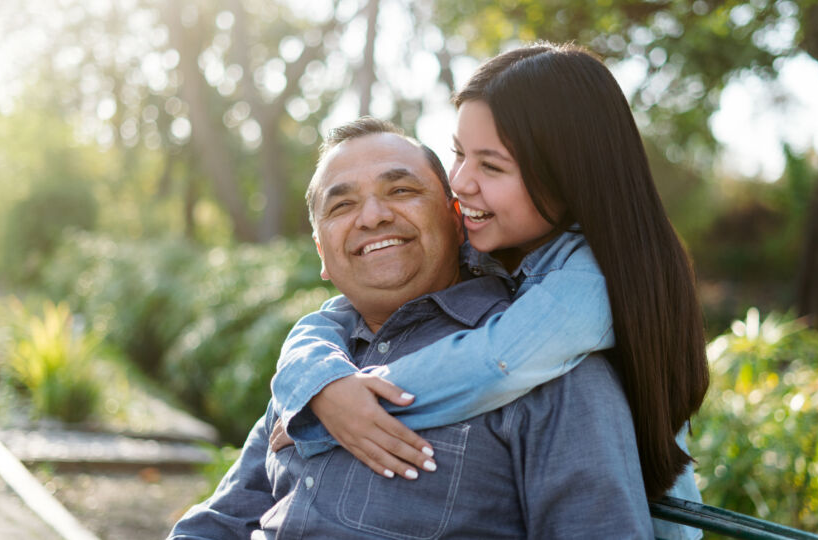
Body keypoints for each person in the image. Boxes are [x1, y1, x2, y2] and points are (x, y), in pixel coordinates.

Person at [271, 41, 709, 527]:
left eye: (491, 166)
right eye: (459, 154)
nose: (458, 182)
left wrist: (352, 407)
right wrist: (318, 379)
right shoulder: (493, 245)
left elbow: (491, 364)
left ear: (566, 179)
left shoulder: (589, 284)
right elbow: (337, 313)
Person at [168, 118, 653, 539]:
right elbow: (215, 524)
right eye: (341, 206)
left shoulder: (550, 368)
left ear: (459, 218)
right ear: (321, 252)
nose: (373, 216)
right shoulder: (317, 367)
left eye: (401, 191)